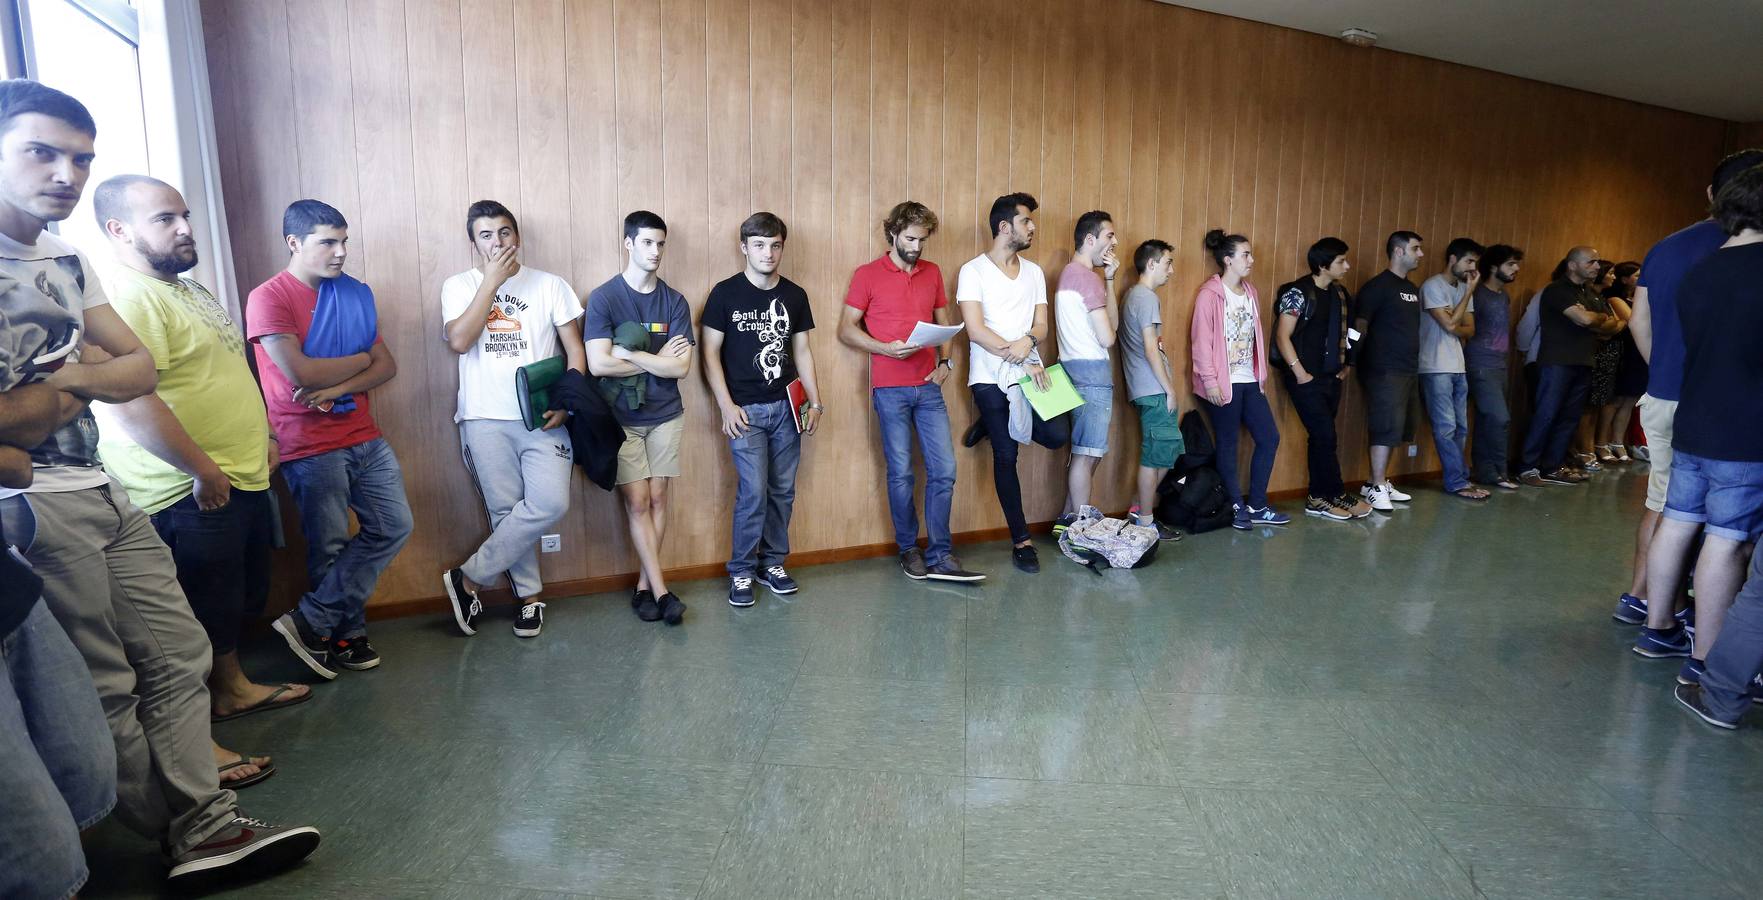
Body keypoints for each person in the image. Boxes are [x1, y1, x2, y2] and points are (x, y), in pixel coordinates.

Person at [0, 78, 319, 883]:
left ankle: (207, 826)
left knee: (179, 652)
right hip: (30, 503)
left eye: (80, 158)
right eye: (41, 152)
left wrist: (56, 382)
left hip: (98, 487)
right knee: (107, 679)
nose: (64, 174)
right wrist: (82, 377)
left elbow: (133, 367)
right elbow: (20, 427)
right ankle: (172, 830)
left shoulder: (67, 258)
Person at [90, 175, 292, 786]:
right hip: (188, 488)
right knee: (189, 619)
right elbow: (126, 401)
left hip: (238, 472)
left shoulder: (183, 288)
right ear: (118, 231)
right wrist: (200, 468)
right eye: (164, 219)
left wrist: (262, 437)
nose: (183, 228)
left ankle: (231, 689)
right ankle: (195, 737)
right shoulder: (129, 297)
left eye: (183, 215)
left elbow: (222, 370)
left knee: (233, 598)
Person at [250, 199, 413, 677]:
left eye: (344, 241)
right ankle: (345, 633)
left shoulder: (355, 294)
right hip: (308, 442)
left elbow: (387, 365)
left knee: (393, 525)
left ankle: (311, 621)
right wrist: (361, 361)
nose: (341, 252)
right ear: (294, 243)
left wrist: (339, 383)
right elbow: (298, 370)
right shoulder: (270, 297)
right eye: (328, 242)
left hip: (363, 433)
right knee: (329, 546)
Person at [1613, 148, 1763, 628]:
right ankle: (1703, 622)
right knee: (1727, 528)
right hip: (1730, 408)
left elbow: (1639, 321)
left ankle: (1644, 601)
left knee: (1667, 507)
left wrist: (1665, 372)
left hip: (1665, 394)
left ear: (1711, 194)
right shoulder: (1748, 252)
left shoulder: (1669, 246)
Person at [439, 200, 585, 638]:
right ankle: (529, 599)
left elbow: (575, 351)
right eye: (486, 235)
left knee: (551, 503)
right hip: (484, 417)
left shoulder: (551, 285)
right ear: (474, 243)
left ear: (516, 237)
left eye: (504, 232)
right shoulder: (458, 285)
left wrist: (569, 402)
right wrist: (491, 284)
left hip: (541, 416)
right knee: (505, 511)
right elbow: (460, 341)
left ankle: (468, 579)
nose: (497, 242)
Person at [839, 201, 982, 582]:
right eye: (910, 238)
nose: (916, 247)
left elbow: (943, 324)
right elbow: (846, 330)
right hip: (889, 388)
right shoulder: (867, 274)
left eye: (922, 240)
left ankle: (941, 553)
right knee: (901, 473)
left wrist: (946, 363)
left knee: (944, 471)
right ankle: (908, 549)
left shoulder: (932, 272)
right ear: (893, 234)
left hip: (927, 387)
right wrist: (884, 347)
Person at [701, 212, 822, 607]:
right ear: (744, 248)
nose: (768, 253)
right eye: (759, 245)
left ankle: (772, 564)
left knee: (782, 490)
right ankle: (740, 571)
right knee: (753, 492)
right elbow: (709, 353)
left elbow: (802, 351)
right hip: (746, 413)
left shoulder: (795, 295)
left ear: (782, 247)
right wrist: (726, 406)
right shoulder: (724, 294)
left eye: (774, 245)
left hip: (787, 408)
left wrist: (815, 401)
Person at [585, 210, 694, 624]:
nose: (655, 251)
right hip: (620, 418)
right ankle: (664, 593)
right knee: (638, 501)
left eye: (660, 243)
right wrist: (656, 360)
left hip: (666, 414)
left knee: (660, 497)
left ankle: (644, 588)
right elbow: (598, 364)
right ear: (628, 243)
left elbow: (681, 369)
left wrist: (629, 355)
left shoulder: (675, 301)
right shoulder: (605, 298)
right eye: (646, 242)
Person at [957, 193, 1067, 573]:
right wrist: (1015, 356)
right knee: (1007, 455)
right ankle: (1021, 540)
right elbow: (975, 330)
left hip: (1032, 367)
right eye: (1026, 221)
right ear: (1004, 227)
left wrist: (1030, 345)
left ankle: (991, 422)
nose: (1032, 227)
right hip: (990, 377)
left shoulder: (1034, 272)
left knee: (1056, 435)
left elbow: (1041, 326)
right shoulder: (973, 271)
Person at [1190, 229, 1285, 530]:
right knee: (1228, 445)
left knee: (1269, 438)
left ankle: (1257, 504)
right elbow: (1201, 342)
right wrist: (1211, 382)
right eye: (1245, 254)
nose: (1251, 260)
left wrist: (1261, 376)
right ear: (1228, 260)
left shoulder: (1252, 292)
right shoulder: (1210, 295)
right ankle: (1235, 506)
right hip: (1222, 382)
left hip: (1249, 380)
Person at [1273, 237, 1371, 519]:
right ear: (1322, 264)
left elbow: (1351, 332)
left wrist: (1347, 365)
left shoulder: (1341, 295)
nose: (1347, 265)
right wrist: (1299, 372)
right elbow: (1282, 336)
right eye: (1341, 260)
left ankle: (1329, 494)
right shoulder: (1298, 292)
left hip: (1332, 377)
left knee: (1324, 438)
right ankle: (1321, 496)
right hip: (1304, 379)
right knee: (1324, 434)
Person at [1515, 247, 1622, 487]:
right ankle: (1527, 467)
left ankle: (1553, 467)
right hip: (1556, 362)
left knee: (1569, 418)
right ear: (1572, 265)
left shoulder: (1589, 293)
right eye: (1591, 262)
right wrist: (1595, 319)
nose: (1597, 266)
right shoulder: (1557, 290)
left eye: (1597, 262)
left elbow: (1614, 326)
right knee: (1546, 414)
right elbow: (1584, 320)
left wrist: (1596, 319)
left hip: (1583, 361)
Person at [1351, 231, 1427, 511]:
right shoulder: (1377, 287)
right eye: (1415, 249)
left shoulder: (1412, 289)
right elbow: (1359, 326)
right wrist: (1351, 361)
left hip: (1408, 368)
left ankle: (1376, 481)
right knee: (1385, 426)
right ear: (1398, 251)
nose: (1420, 255)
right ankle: (1376, 486)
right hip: (1383, 369)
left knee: (1399, 427)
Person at [1055, 210, 1120, 525]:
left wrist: (1109, 279)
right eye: (1109, 235)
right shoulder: (1087, 279)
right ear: (1090, 239)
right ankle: (1081, 528)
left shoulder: (1068, 274)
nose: (1115, 242)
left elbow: (1112, 325)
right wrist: (1103, 281)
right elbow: (1109, 336)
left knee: (1084, 451)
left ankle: (1067, 519)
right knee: (1087, 454)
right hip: (1093, 374)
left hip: (1070, 370)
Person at [1119, 239, 1185, 538]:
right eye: (1168, 263)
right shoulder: (1144, 297)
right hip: (1153, 388)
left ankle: (1138, 510)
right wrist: (1169, 389)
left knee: (1163, 453)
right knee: (1154, 455)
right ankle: (1144, 521)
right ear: (1152, 263)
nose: (1172, 270)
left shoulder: (1138, 296)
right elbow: (1150, 348)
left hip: (1148, 388)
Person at [1418, 238, 1490, 501]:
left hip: (1458, 365)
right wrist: (1469, 293)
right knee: (1446, 427)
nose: (1473, 268)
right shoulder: (1432, 286)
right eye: (1469, 261)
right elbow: (1450, 327)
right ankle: (1457, 482)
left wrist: (1453, 317)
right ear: (1452, 259)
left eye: (1475, 262)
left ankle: (1459, 477)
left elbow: (1469, 329)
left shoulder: (1461, 287)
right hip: (1434, 366)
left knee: (1461, 427)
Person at [1465, 244, 1523, 490]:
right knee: (1499, 418)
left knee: (1489, 418)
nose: (1516, 269)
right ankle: (1499, 473)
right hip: (1480, 364)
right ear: (1493, 266)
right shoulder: (1478, 294)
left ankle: (1486, 472)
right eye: (1510, 264)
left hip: (1499, 365)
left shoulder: (1503, 295)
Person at [1595, 261, 1642, 462]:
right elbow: (1632, 321)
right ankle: (1601, 442)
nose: (1641, 279)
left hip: (1639, 351)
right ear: (1625, 279)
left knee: (1630, 400)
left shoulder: (1639, 298)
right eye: (1637, 276)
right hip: (1624, 350)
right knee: (1615, 399)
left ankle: (1618, 441)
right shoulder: (1615, 298)